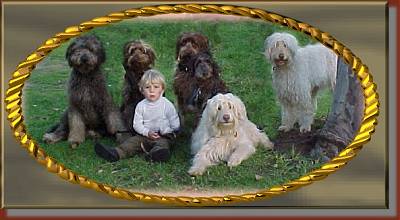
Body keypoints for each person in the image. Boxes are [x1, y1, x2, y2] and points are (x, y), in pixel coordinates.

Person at [95, 69, 180, 162]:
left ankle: (156, 155)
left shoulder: (166, 104)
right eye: (147, 87)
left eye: (156, 87)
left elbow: (174, 120)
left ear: (162, 89)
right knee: (132, 142)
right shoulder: (141, 106)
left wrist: (168, 130)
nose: (152, 90)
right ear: (142, 90)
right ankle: (116, 153)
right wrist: (147, 132)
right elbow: (137, 124)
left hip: (163, 135)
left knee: (163, 144)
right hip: (145, 135)